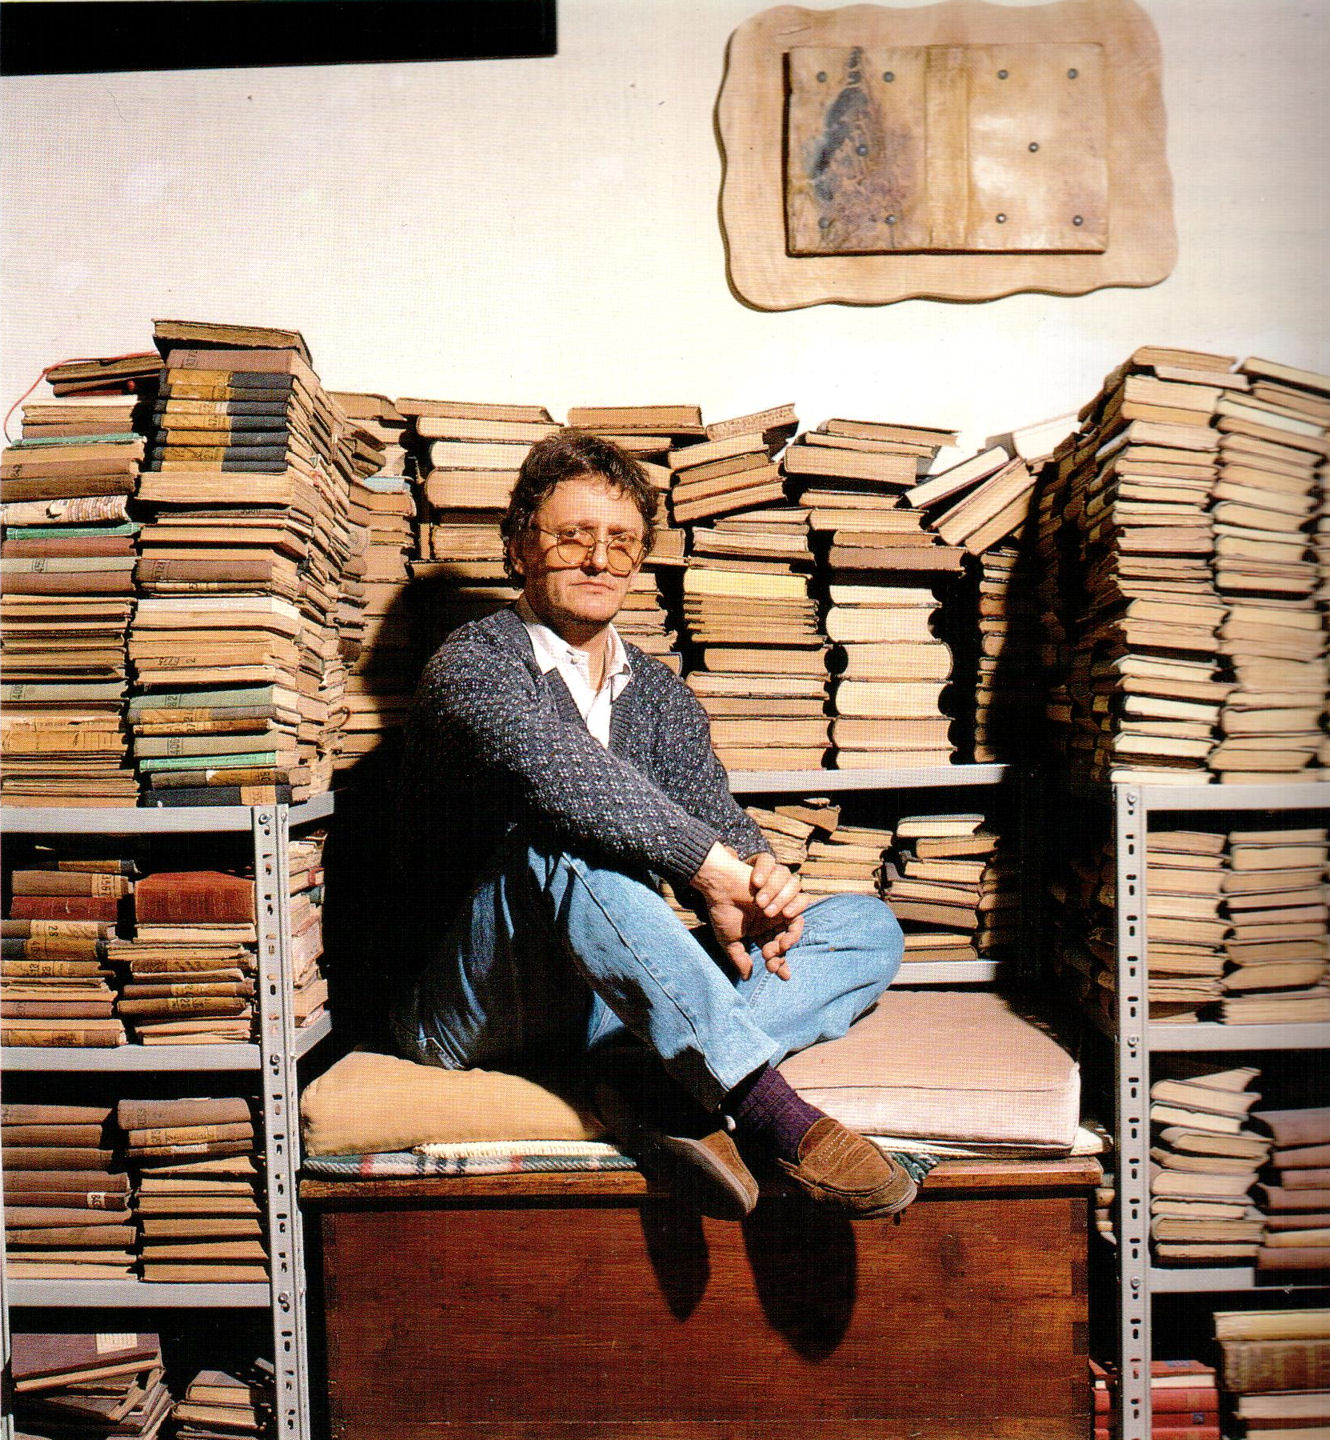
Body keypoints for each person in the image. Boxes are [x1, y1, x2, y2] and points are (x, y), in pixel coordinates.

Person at [390, 429, 914, 1220]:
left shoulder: (658, 694)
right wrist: (710, 870)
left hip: (610, 992)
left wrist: (759, 879)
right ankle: (760, 1101)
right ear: (519, 548)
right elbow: (560, 774)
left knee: (864, 927)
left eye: (622, 541)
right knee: (560, 839)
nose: (599, 561)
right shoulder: (472, 663)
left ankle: (644, 1073)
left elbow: (715, 815)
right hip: (477, 1000)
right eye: (573, 537)